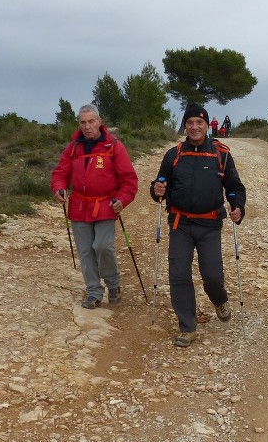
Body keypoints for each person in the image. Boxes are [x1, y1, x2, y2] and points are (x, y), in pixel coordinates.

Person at [151, 103, 246, 347]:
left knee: (212, 276)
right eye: (190, 122)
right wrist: (156, 189)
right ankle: (187, 326)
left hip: (210, 224)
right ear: (184, 125)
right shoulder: (174, 155)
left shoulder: (221, 154)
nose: (194, 127)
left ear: (206, 126)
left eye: (199, 122)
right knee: (179, 274)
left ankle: (219, 300)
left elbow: (234, 187)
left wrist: (238, 207)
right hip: (180, 223)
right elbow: (160, 185)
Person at [51, 104, 139, 309]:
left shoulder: (114, 146)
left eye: (91, 121)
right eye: (83, 122)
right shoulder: (73, 148)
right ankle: (93, 291)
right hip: (79, 206)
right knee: (85, 251)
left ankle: (113, 284)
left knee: (102, 246)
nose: (87, 126)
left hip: (106, 205)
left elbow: (129, 180)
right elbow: (59, 174)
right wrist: (59, 188)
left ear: (99, 122)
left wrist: (122, 199)